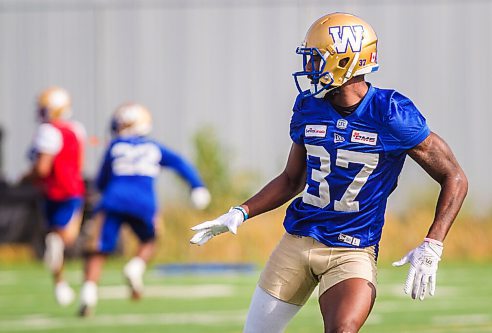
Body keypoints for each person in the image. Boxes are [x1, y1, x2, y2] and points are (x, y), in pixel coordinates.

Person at [190, 12, 468, 333]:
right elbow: (292, 179)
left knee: (342, 330)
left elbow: (454, 177)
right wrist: (241, 212)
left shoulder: (390, 113)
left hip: (352, 249)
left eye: (316, 59)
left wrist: (433, 243)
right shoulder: (310, 106)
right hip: (297, 240)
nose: (310, 68)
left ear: (344, 61)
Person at [79, 102, 211, 316]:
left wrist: (98, 192)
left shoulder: (115, 147)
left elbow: (101, 181)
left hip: (114, 199)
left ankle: (89, 292)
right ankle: (136, 266)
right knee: (150, 239)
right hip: (143, 202)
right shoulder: (154, 147)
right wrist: (197, 186)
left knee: (98, 248)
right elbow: (181, 164)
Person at [24, 86, 86, 306]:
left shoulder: (47, 131)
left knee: (57, 237)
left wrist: (25, 176)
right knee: (63, 238)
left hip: (52, 190)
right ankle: (60, 282)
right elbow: (79, 163)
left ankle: (60, 284)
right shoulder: (76, 129)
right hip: (71, 189)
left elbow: (42, 168)